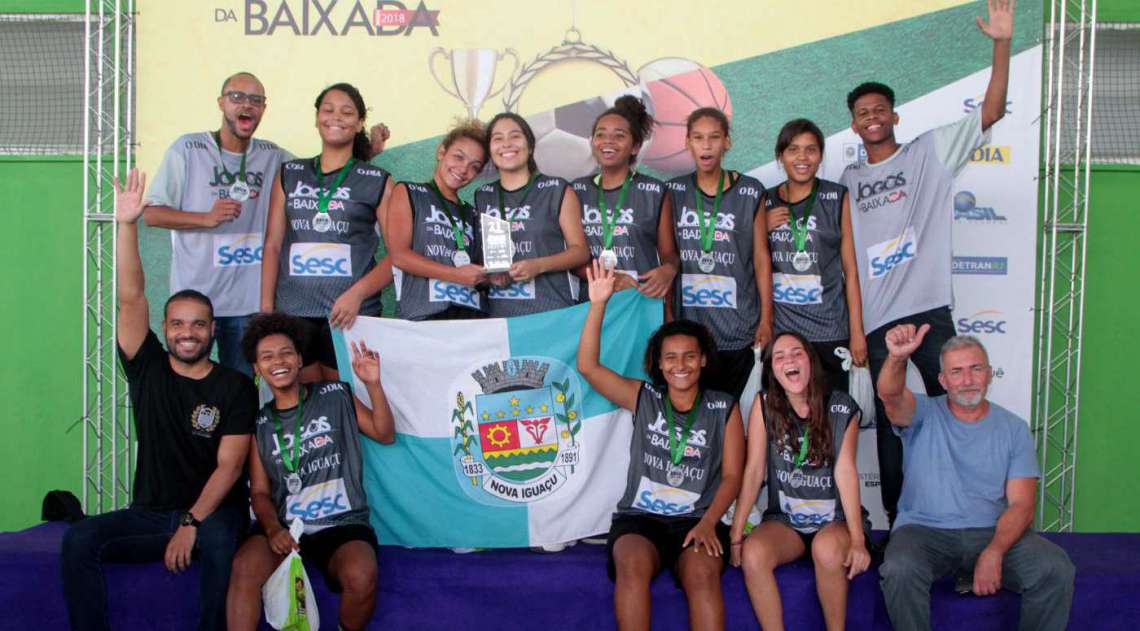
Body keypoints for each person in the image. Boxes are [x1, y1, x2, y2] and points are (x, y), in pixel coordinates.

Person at [840, 0, 1014, 526]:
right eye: (862, 113)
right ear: (853, 125)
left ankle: (969, 515)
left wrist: (1001, 44)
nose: (872, 118)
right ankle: (899, 523)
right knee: (893, 427)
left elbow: (990, 110)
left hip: (929, 311)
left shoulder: (928, 153)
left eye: (879, 110)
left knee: (957, 413)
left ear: (894, 116)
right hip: (875, 323)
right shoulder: (846, 182)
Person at [61, 169, 257, 631]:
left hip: (214, 515)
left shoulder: (235, 386)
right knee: (78, 539)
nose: (187, 333)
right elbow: (132, 297)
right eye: (177, 324)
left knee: (220, 545)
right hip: (150, 513)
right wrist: (126, 225)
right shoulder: (147, 366)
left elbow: (230, 468)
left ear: (213, 330)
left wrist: (191, 522)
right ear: (166, 329)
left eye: (197, 325)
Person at [578, 260, 744, 631]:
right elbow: (588, 367)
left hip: (698, 519)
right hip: (642, 519)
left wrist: (709, 522)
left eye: (689, 356)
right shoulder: (644, 396)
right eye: (670, 357)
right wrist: (599, 303)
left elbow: (733, 475)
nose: (679, 365)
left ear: (703, 360)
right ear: (659, 363)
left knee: (702, 574)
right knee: (631, 565)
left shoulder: (722, 406)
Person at [876, 324, 1075, 631]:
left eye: (976, 368)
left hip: (992, 532)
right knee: (900, 569)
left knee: (1055, 568)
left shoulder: (1013, 428)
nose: (967, 380)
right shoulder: (923, 412)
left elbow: (1022, 505)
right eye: (956, 372)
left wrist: (994, 552)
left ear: (990, 374)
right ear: (943, 380)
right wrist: (898, 358)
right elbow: (890, 395)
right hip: (924, 532)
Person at [226, 313, 395, 631]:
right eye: (267, 356)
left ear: (300, 358)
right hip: (286, 527)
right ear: (257, 368)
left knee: (361, 574)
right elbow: (260, 493)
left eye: (286, 352)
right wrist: (274, 529)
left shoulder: (336, 394)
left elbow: (385, 433)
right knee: (244, 566)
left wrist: (373, 385)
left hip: (342, 523)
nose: (278, 361)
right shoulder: (259, 423)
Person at [143, 71, 289, 376]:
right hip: (196, 303)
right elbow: (153, 214)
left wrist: (369, 153)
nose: (246, 105)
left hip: (247, 305)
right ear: (221, 102)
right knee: (190, 384)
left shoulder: (271, 155)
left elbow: (321, 171)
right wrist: (205, 218)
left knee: (242, 390)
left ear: (264, 108)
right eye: (237, 97)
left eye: (256, 100)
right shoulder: (187, 149)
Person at [730, 332, 870, 631]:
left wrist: (858, 541)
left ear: (810, 361)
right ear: (772, 369)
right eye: (779, 356)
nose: (788, 361)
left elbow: (845, 472)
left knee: (826, 549)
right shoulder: (764, 404)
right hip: (786, 522)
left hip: (834, 521)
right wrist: (737, 533)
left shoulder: (842, 406)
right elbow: (753, 470)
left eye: (797, 353)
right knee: (754, 554)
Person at [260, 83, 394, 382]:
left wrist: (356, 295)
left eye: (347, 112)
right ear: (317, 117)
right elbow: (272, 245)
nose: (336, 117)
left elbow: (399, 256)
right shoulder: (290, 173)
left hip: (352, 316)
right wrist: (267, 312)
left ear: (359, 123)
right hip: (294, 314)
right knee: (306, 409)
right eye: (328, 110)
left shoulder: (377, 180)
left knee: (351, 405)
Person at [667, 107, 773, 401]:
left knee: (739, 420)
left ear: (727, 142)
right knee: (700, 422)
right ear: (687, 142)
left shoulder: (751, 191)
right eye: (698, 137)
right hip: (692, 332)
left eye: (714, 137)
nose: (706, 145)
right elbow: (665, 255)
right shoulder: (673, 191)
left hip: (740, 328)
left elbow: (762, 259)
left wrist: (766, 321)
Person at [765, 119, 866, 393]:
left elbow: (851, 270)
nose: (802, 157)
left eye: (811, 150)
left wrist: (856, 332)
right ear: (780, 156)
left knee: (833, 415)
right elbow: (750, 263)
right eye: (793, 149)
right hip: (784, 334)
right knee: (786, 420)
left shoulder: (836, 197)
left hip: (829, 330)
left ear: (820, 156)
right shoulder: (764, 202)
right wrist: (759, 227)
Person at [475, 112, 590, 316]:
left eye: (515, 136)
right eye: (498, 138)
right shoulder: (483, 196)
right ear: (490, 151)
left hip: (550, 310)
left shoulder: (556, 189)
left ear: (530, 147)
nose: (507, 144)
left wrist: (539, 265)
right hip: (500, 314)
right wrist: (493, 274)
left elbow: (580, 251)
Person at [573, 95, 678, 305]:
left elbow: (669, 254)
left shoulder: (655, 191)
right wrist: (611, 278)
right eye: (600, 135)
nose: (608, 141)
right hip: (590, 303)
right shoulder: (576, 190)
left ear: (635, 147)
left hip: (640, 300)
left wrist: (669, 269)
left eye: (619, 136)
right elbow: (571, 258)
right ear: (593, 142)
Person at [387, 120, 488, 320]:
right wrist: (456, 275)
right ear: (441, 152)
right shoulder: (408, 192)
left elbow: (477, 271)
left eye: (474, 166)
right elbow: (399, 256)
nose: (463, 169)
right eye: (458, 157)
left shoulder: (473, 213)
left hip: (471, 317)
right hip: (423, 316)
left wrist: (494, 278)